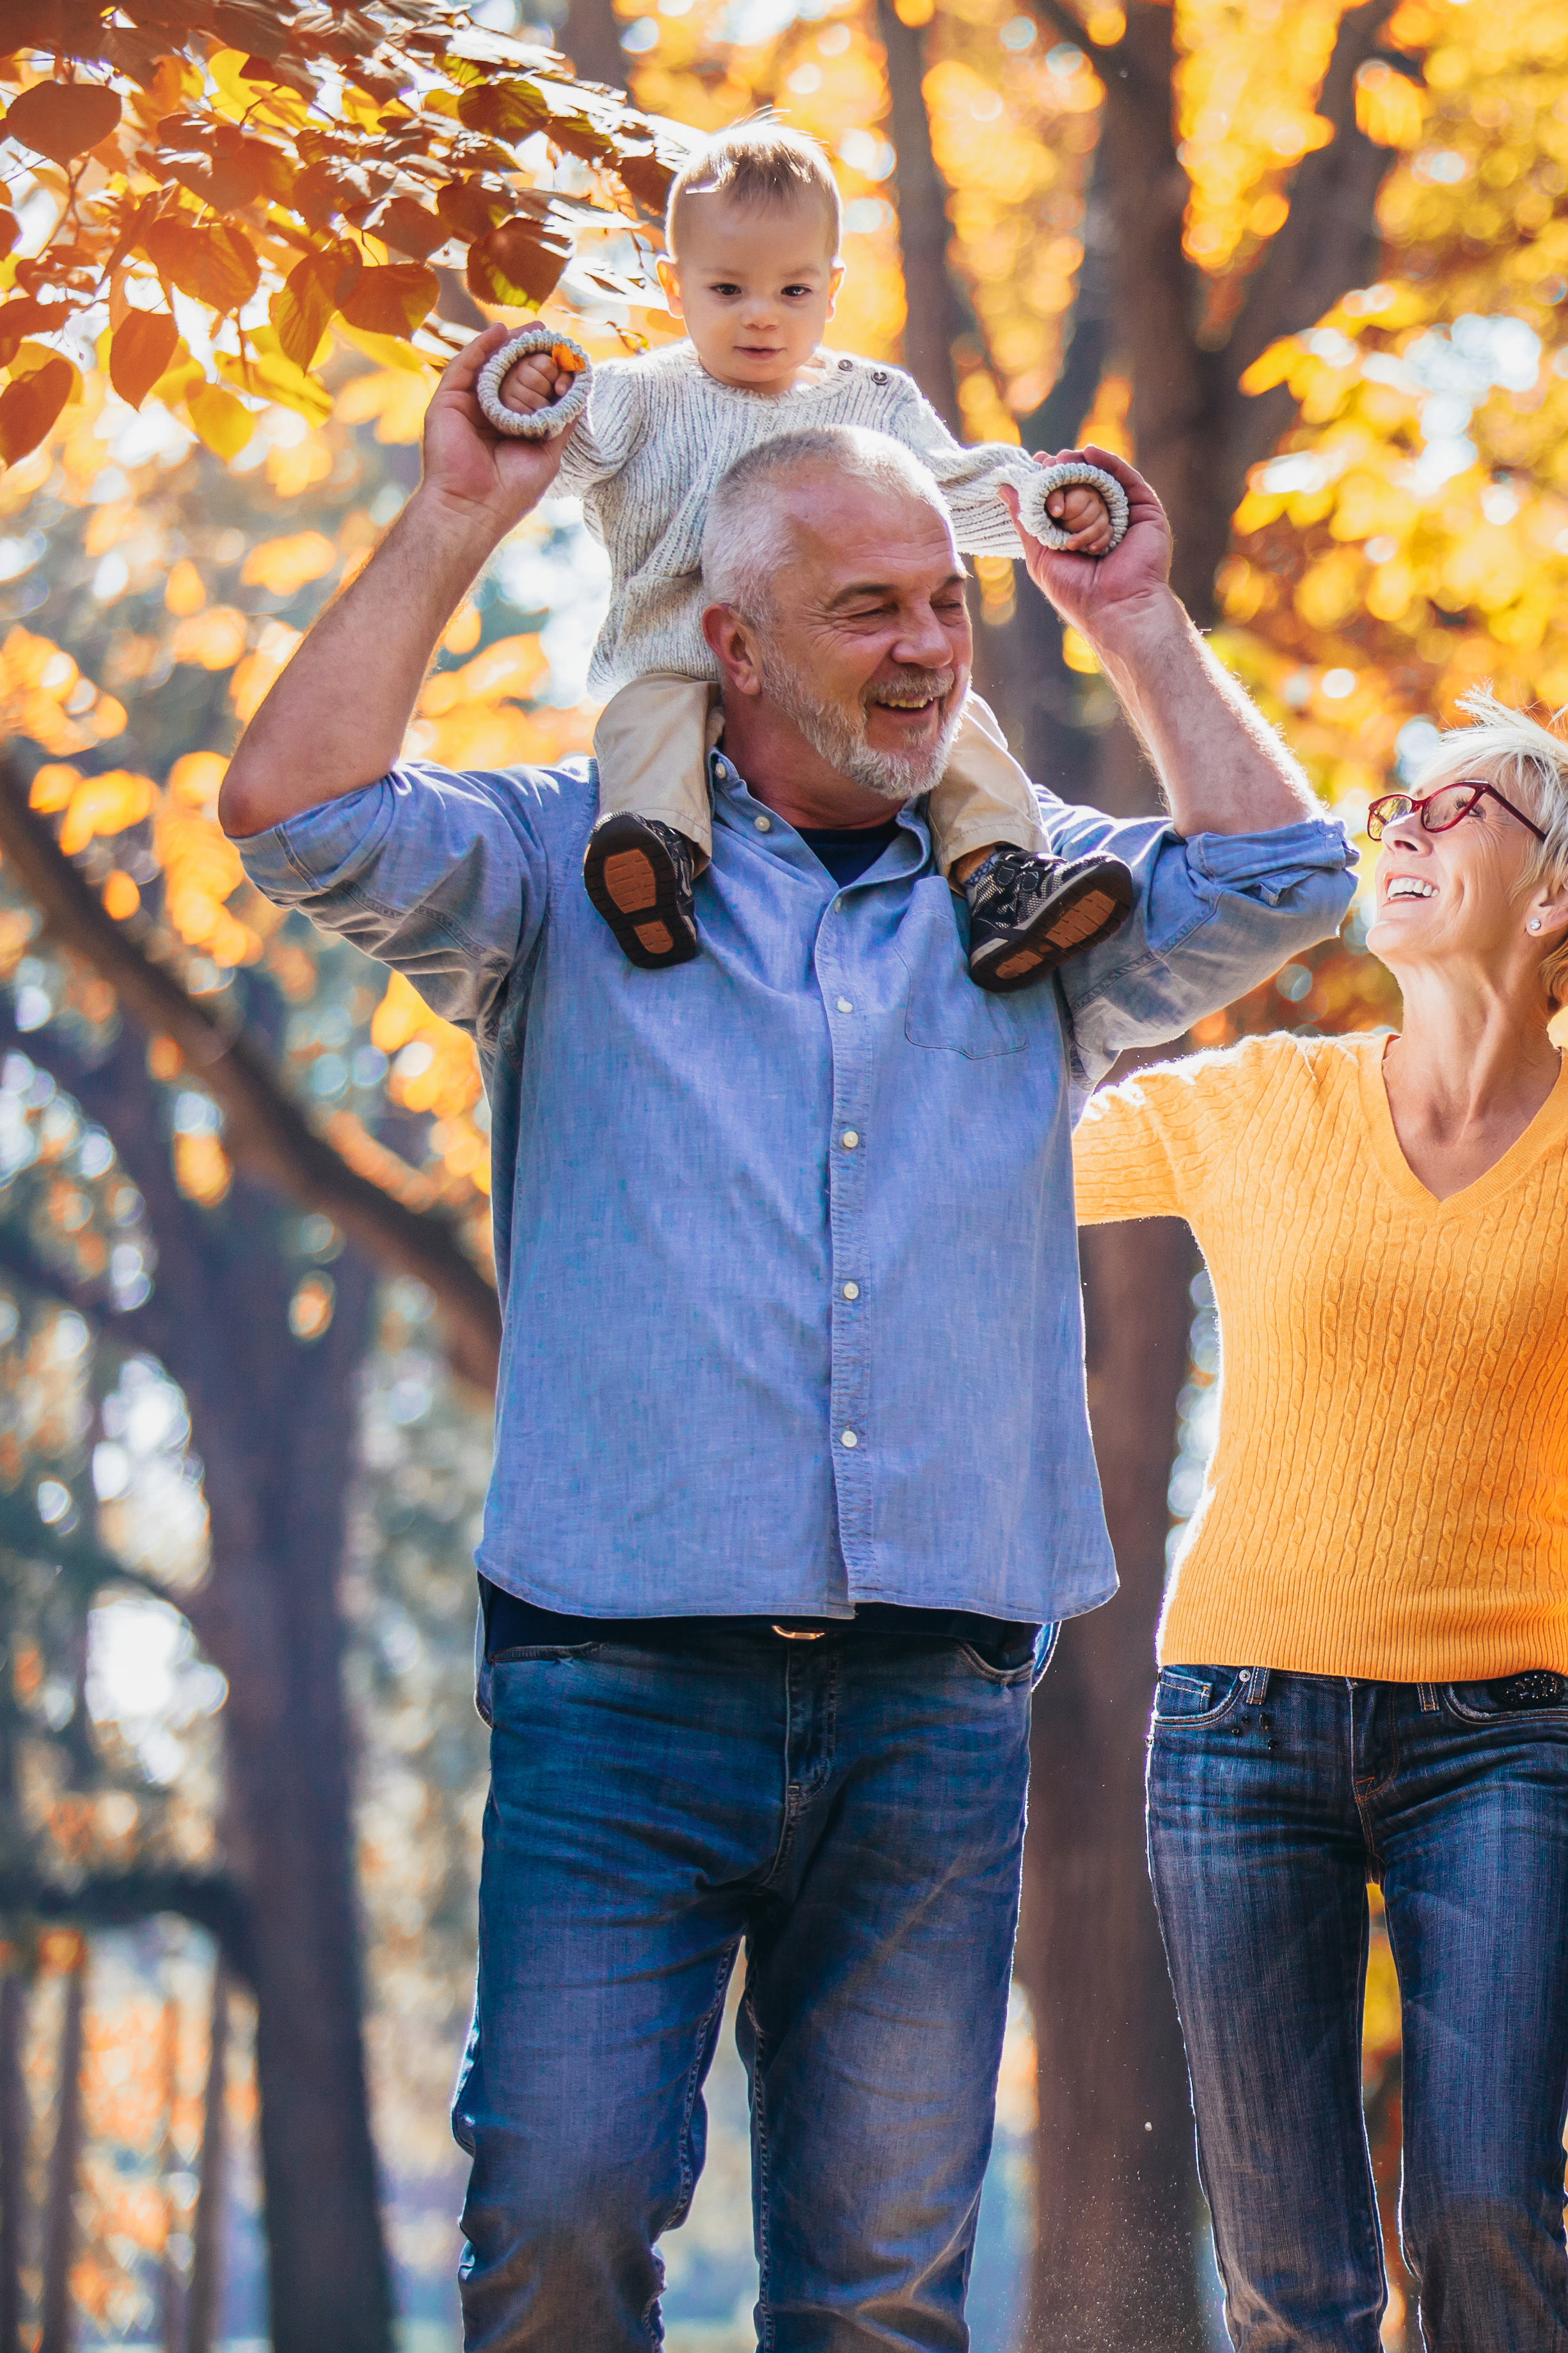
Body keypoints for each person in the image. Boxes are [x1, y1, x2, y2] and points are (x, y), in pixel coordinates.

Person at [219, 330, 1351, 2351]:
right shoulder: (569, 876)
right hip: (617, 1679)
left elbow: (1282, 878)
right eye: (869, 612)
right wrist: (459, 512)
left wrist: (1145, 624)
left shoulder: (1038, 911)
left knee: (885, 2293)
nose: (928, 651)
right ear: (731, 647)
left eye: (947, 605)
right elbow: (295, 804)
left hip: (934, 1696)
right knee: (558, 2233)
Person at [1068, 701, 1568, 2353]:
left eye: (1454, 807)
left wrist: (1515, 1456)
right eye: (1393, 807)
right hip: (1237, 1724)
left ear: (1561, 895)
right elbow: (1003, 1161)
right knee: (1293, 2273)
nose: (1399, 829)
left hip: (1499, 1732)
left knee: (1484, 2222)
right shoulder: (1259, 1102)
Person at [473, 118, 1143, 987]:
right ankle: (657, 865)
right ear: (676, 290)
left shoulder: (870, 402)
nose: (761, 315)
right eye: (728, 290)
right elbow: (565, 445)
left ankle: (1002, 882)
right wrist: (534, 386)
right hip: (675, 659)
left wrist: (1050, 505)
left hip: (830, 677)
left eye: (792, 293)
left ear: (831, 291)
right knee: (645, 728)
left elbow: (948, 486)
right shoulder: (641, 395)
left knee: (956, 724)